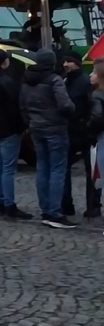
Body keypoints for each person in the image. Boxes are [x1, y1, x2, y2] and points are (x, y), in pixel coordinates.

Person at [19, 48, 76, 229]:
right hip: (55, 128)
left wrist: (30, 122)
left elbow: (22, 106)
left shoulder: (26, 80)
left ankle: (45, 210)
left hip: (36, 127)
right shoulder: (54, 80)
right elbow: (65, 104)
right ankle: (54, 212)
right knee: (57, 169)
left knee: (42, 168)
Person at [0, 49, 31, 220]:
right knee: (8, 168)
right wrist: (22, 126)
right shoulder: (6, 81)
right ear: (4, 62)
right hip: (8, 129)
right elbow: (15, 107)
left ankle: (0, 203)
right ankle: (9, 205)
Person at [61, 52, 97, 218]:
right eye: (64, 61)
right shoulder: (65, 80)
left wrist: (86, 125)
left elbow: (89, 107)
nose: (65, 64)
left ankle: (93, 206)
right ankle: (67, 204)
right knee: (64, 169)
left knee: (92, 171)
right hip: (70, 131)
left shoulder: (83, 82)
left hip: (83, 132)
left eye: (69, 61)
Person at [88, 61, 104, 234]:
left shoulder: (97, 96)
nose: (90, 75)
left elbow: (97, 118)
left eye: (93, 72)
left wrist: (89, 129)